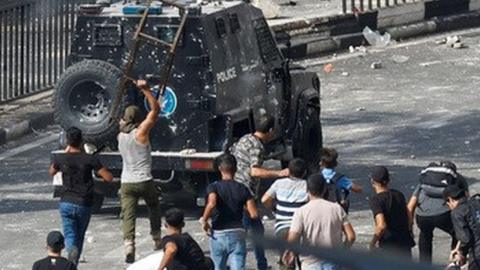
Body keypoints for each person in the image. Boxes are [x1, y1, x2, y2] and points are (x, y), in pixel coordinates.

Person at [230, 114, 289, 270]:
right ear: (270, 131)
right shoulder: (257, 146)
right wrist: (279, 173)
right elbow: (255, 172)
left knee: (256, 231)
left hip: (237, 191)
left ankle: (262, 264)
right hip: (246, 195)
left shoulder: (244, 139)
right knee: (246, 234)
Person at [48, 127, 113, 264]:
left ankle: (71, 252)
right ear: (81, 140)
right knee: (80, 234)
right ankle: (73, 261)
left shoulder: (60, 158)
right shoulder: (89, 159)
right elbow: (108, 177)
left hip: (66, 201)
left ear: (67, 141)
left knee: (69, 232)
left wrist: (65, 153)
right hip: (84, 202)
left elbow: (52, 171)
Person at [118, 80, 162, 263]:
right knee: (153, 206)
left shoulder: (120, 134)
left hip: (126, 182)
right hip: (144, 179)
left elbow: (121, 120)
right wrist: (146, 90)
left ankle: (129, 244)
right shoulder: (141, 133)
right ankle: (157, 237)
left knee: (128, 213)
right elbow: (155, 111)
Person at [283, 174, 356, 270]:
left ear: (307, 190)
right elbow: (351, 236)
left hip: (310, 263)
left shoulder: (301, 212)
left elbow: (293, 237)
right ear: (324, 190)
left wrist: (289, 250)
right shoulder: (337, 208)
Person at [201, 154, 258, 270]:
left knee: (217, 266)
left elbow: (212, 203)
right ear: (236, 169)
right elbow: (254, 214)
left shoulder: (214, 187)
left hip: (218, 233)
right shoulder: (243, 188)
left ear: (219, 168)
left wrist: (204, 220)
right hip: (237, 233)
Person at [407, 161, 469, 264]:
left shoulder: (427, 179)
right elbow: (465, 202)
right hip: (443, 214)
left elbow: (411, 205)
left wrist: (409, 227)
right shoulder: (459, 178)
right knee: (458, 234)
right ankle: (455, 261)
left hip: (422, 215)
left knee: (425, 236)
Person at [261, 158, 309, 269]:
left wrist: (274, 209)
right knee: (302, 259)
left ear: (288, 171)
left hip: (281, 227)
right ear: (304, 172)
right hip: (299, 229)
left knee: (286, 260)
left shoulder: (279, 183)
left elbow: (264, 199)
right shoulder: (306, 185)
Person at [368, 166, 415, 257]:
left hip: (389, 246)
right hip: (405, 243)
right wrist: (410, 231)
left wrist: (372, 243)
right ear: (388, 180)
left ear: (372, 182)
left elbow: (381, 226)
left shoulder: (376, 200)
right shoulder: (399, 194)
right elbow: (409, 216)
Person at [444, 185, 480, 270]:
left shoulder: (457, 213)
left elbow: (465, 239)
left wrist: (460, 252)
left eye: (447, 204)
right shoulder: (477, 201)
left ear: (450, 200)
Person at [319, 147, 362, 213]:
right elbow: (357, 189)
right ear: (335, 163)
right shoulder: (340, 178)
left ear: (321, 163)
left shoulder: (317, 177)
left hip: (321, 209)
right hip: (335, 209)